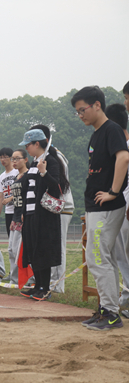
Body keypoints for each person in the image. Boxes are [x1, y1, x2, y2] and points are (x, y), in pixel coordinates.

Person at [71, 86, 129, 330]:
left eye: (82, 109)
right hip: (95, 206)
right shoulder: (96, 134)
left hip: (107, 206)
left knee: (97, 258)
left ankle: (111, 313)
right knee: (106, 258)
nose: (80, 115)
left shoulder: (111, 129)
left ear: (97, 105)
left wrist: (114, 192)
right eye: (77, 112)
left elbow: (124, 157)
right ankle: (108, 308)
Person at [19, 127, 70, 302]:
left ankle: (44, 288)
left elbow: (57, 187)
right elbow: (28, 188)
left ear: (37, 143)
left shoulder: (51, 160)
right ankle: (37, 285)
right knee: (33, 249)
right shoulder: (34, 162)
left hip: (45, 216)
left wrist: (44, 172)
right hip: (31, 214)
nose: (27, 148)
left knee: (43, 251)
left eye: (28, 145)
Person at [31, 125, 74, 293]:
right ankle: (49, 283)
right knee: (48, 245)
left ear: (44, 141)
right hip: (47, 206)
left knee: (57, 246)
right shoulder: (41, 158)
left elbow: (59, 183)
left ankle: (58, 285)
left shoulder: (56, 157)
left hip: (59, 205)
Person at [106, 103, 129, 318]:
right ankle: (124, 299)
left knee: (123, 256)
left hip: (125, 204)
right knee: (120, 255)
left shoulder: (124, 148)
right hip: (120, 205)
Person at [6, 149, 29, 284]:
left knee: (20, 250)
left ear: (25, 159)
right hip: (15, 217)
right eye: (13, 159)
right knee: (11, 250)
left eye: (17, 158)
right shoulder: (16, 177)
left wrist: (24, 214)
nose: (14, 161)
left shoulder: (29, 176)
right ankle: (14, 279)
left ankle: (27, 279)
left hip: (23, 216)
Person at [0, 148, 18, 236]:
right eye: (0, 157)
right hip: (8, 211)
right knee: (10, 238)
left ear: (11, 158)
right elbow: (1, 197)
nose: (2, 160)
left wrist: (10, 198)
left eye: (5, 157)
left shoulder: (17, 172)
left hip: (18, 210)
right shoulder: (1, 176)